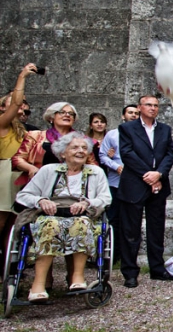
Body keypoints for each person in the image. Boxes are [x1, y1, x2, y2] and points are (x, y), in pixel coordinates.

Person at [15, 132, 111, 302]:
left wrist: (87, 203)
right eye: (74, 147)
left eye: (84, 148)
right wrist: (41, 200)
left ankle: (77, 277)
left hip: (82, 216)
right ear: (62, 153)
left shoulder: (96, 172)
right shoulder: (48, 170)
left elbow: (106, 198)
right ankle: (38, 284)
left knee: (81, 224)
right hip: (50, 215)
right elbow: (23, 196)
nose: (80, 151)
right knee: (50, 226)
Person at [118, 95, 173, 288]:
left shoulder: (164, 129)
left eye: (156, 105)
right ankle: (130, 272)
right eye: (148, 105)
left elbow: (170, 154)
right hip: (135, 185)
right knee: (130, 231)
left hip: (159, 185)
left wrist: (158, 174)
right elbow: (127, 153)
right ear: (139, 107)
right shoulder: (127, 129)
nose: (152, 108)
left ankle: (157, 269)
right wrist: (147, 175)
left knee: (156, 229)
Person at [12, 102, 98, 187]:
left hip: (72, 185)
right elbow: (17, 159)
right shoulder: (35, 136)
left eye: (71, 114)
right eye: (62, 112)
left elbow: (92, 165)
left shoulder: (82, 140)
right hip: (39, 182)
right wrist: (31, 168)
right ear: (51, 117)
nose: (67, 115)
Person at [99, 104, 140, 265]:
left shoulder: (142, 134)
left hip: (134, 183)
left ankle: (127, 256)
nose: (133, 115)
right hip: (115, 183)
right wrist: (116, 167)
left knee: (130, 222)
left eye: (136, 113)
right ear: (123, 116)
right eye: (130, 112)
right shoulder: (112, 134)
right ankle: (111, 255)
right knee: (113, 219)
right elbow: (103, 155)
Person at [0, 64, 36, 237]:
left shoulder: (24, 129)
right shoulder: (2, 123)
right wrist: (22, 76)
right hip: (5, 172)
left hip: (20, 173)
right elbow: (15, 102)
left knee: (14, 224)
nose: (21, 105)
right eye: (18, 102)